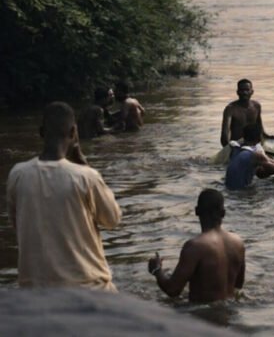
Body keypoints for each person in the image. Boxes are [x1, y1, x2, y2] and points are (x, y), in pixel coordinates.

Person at [6, 102, 122, 290]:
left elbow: (17, 224)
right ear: (73, 132)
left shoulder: (17, 174)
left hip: (35, 292)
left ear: (41, 132)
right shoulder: (86, 176)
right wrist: (84, 163)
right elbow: (113, 220)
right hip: (89, 290)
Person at [148, 189, 245, 303]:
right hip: (229, 315)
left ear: (196, 211)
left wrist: (157, 270)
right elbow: (238, 285)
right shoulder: (238, 242)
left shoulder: (195, 246)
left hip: (200, 317)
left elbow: (173, 290)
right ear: (223, 213)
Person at [220, 79, 274, 147]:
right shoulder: (230, 109)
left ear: (252, 92)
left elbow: (259, 127)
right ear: (237, 92)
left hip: (254, 144)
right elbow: (224, 136)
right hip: (237, 145)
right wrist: (230, 149)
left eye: (247, 90)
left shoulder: (256, 106)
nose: (244, 92)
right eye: (242, 90)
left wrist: (267, 137)